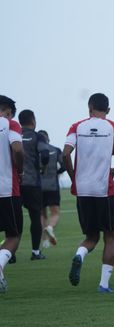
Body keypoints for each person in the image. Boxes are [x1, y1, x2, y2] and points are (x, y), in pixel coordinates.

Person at [63, 93, 114, 293]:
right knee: (109, 237)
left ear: (89, 108)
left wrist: (74, 177)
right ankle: (104, 284)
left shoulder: (76, 126)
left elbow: (65, 154)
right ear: (108, 110)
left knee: (91, 237)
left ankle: (80, 255)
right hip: (104, 190)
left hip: (83, 189)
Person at [0, 95, 25, 293]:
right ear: (7, 111)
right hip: (6, 189)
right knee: (13, 235)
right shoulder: (10, 125)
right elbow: (17, 149)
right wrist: (21, 170)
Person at [18, 109, 50, 260]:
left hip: (15, 183)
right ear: (33, 120)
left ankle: (9, 253)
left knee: (13, 218)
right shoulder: (38, 137)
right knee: (35, 217)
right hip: (32, 182)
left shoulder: (14, 135)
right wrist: (43, 168)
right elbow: (45, 154)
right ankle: (35, 252)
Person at [37, 130, 65, 249]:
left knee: (42, 214)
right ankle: (50, 228)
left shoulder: (35, 151)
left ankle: (45, 242)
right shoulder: (56, 150)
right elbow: (63, 166)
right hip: (53, 185)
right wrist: (55, 172)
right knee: (55, 212)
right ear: (48, 139)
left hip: (38, 186)